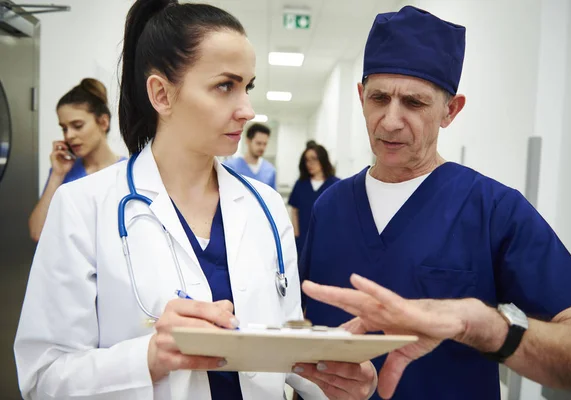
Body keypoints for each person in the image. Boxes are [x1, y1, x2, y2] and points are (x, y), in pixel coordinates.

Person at [13, 1, 376, 399]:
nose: (247, 110)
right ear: (162, 94)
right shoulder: (83, 207)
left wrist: (333, 378)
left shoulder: (267, 207)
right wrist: (149, 358)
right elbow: (42, 377)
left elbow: (282, 351)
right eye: (226, 86)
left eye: (248, 87)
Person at [299, 6, 571, 400]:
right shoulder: (329, 206)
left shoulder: (492, 209)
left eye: (414, 103)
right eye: (379, 98)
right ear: (361, 97)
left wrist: (487, 327)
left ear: (450, 110)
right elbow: (302, 323)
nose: (390, 120)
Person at [28, 78, 125, 242]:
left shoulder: (127, 172)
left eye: (77, 125)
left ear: (103, 122)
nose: (69, 136)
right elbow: (37, 232)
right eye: (64, 128)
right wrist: (57, 175)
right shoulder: (62, 173)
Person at [289, 143, 339, 255]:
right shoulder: (301, 184)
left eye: (314, 159)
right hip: (303, 240)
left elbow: (340, 214)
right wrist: (296, 234)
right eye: (307, 160)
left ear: (323, 159)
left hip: (328, 240)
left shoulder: (336, 185)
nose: (310, 164)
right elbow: (294, 210)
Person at [224, 122, 277, 189]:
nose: (262, 147)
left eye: (265, 144)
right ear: (248, 141)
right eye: (258, 143)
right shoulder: (230, 167)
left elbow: (272, 196)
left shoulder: (270, 170)